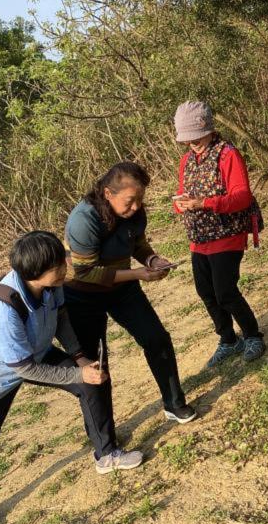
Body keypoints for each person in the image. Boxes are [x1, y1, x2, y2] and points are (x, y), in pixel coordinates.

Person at [0, 231, 143, 524]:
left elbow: (61, 319)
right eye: (60, 262)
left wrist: (80, 359)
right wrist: (77, 374)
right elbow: (25, 368)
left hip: (36, 351)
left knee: (92, 382)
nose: (66, 263)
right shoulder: (3, 308)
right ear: (37, 272)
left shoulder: (51, 286)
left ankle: (106, 454)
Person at [63, 161, 196, 426]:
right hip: (83, 294)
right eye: (130, 200)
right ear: (107, 194)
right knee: (95, 363)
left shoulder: (135, 213)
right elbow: (85, 272)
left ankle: (174, 402)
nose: (135, 206)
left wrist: (152, 261)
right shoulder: (83, 220)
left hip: (121, 287)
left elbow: (138, 244)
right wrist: (137, 274)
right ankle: (104, 438)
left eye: (140, 199)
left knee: (156, 338)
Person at [171, 100, 265, 368]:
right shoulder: (187, 161)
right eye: (187, 140)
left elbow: (242, 197)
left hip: (227, 233)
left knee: (225, 290)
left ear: (209, 130)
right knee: (206, 291)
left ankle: (252, 335)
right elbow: (183, 196)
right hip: (199, 238)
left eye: (196, 138)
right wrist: (181, 204)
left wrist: (205, 203)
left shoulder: (227, 155)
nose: (192, 144)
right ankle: (227, 339)